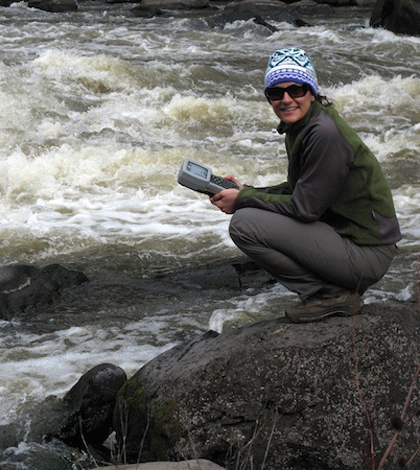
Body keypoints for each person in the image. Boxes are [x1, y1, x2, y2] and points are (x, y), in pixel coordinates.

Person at [210, 47, 401, 323]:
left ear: (311, 91)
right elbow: (298, 189)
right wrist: (246, 191)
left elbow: (304, 209)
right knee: (249, 213)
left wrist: (243, 200)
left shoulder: (324, 134)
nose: (286, 99)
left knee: (244, 224)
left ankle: (329, 295)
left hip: (367, 254)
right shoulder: (304, 125)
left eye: (296, 90)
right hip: (350, 241)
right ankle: (332, 292)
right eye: (276, 93)